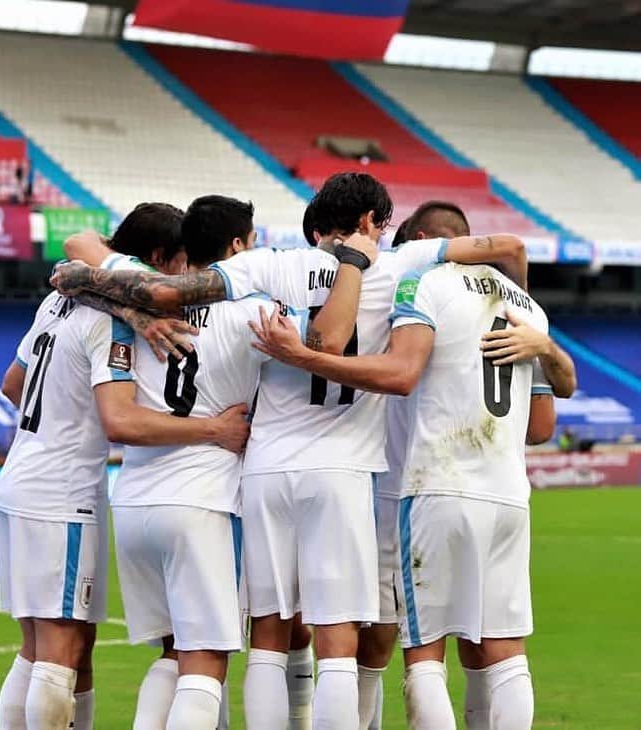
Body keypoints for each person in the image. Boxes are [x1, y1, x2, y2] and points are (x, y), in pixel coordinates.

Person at [52, 172, 534, 730]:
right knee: (335, 641)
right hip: (344, 471)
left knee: (269, 635)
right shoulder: (403, 262)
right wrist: (525, 314)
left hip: (265, 471)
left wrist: (92, 283)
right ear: (371, 223)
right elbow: (508, 247)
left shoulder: (268, 267)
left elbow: (162, 290)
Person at [248, 256, 573, 730]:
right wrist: (543, 348)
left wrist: (305, 356)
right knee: (506, 652)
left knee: (423, 651)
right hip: (508, 496)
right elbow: (542, 425)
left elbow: (401, 373)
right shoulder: (528, 307)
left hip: (435, 487)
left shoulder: (425, 283)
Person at [0, 204, 248, 730]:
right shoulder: (112, 318)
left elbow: (13, 385)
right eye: (176, 263)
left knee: (49, 644)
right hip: (64, 490)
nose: (179, 278)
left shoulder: (57, 301)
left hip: (21, 476)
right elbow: (119, 421)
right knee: (60, 650)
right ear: (156, 258)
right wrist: (213, 430)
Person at [104, 195, 308, 730]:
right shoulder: (254, 312)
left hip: (133, 498)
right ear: (239, 246)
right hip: (203, 499)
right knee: (205, 661)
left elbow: (78, 259)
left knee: (172, 653)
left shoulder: (143, 306)